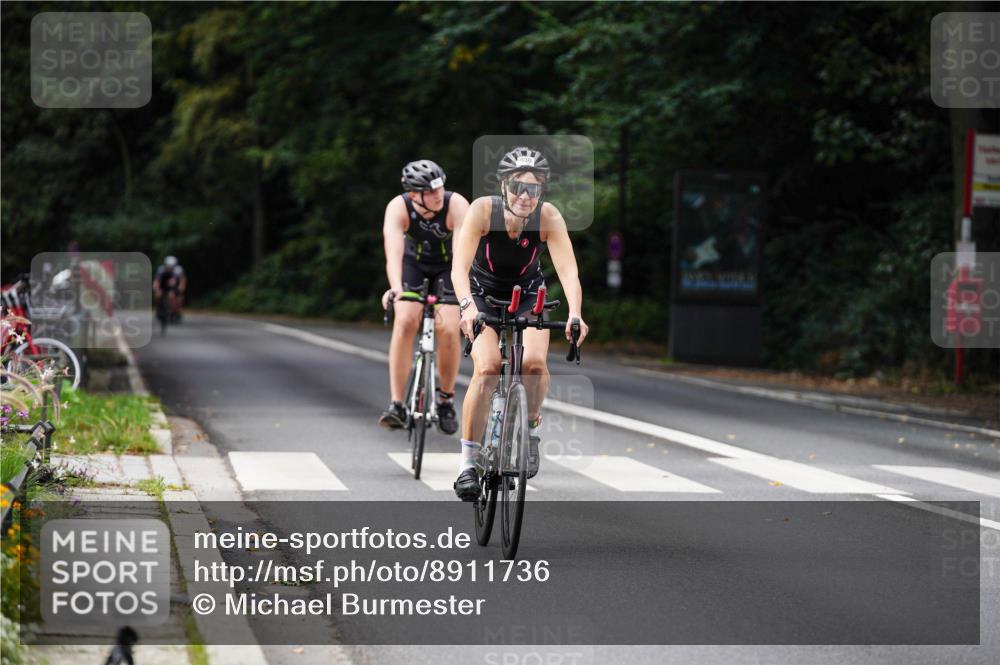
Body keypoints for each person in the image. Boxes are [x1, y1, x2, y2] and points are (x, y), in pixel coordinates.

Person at [450, 147, 589, 500]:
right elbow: (458, 268)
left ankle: (529, 429)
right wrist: (466, 307)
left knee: (532, 363)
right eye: (518, 187)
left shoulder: (548, 217)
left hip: (528, 293)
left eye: (534, 188)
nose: (525, 196)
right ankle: (468, 464)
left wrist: (575, 312)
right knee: (487, 369)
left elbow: (568, 269)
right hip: (481, 293)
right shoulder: (483, 210)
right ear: (503, 186)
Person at [379, 160, 470, 434]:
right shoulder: (398, 207)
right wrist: (396, 289)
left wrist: (462, 297)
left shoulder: (456, 205)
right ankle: (397, 404)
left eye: (440, 188)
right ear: (414, 195)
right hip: (413, 266)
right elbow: (393, 254)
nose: (438, 195)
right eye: (431, 192)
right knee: (405, 320)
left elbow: (462, 258)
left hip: (448, 268)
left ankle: (446, 398)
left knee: (448, 327)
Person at [152, 256, 186, 322]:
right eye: (168, 266)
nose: (169, 268)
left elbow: (182, 280)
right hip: (163, 286)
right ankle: (159, 310)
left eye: (171, 266)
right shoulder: (161, 270)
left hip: (174, 287)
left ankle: (175, 312)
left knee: (173, 297)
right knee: (157, 295)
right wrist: (156, 287)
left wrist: (181, 287)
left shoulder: (178, 270)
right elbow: (157, 280)